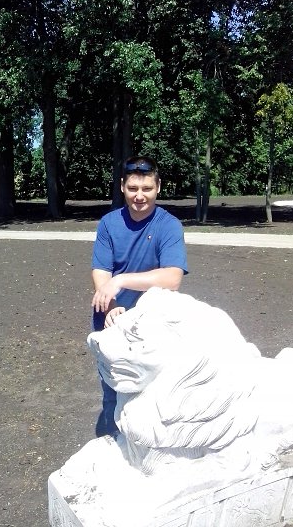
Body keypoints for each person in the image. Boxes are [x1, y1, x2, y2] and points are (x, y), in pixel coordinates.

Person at [91, 155, 188, 436]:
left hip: (152, 326)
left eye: (147, 189)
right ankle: (114, 445)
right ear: (123, 187)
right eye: (133, 188)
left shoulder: (169, 225)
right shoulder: (108, 224)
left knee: (153, 397)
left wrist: (121, 280)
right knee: (113, 396)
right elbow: (101, 271)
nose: (139, 196)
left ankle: (147, 452)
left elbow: (173, 277)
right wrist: (110, 305)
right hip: (111, 323)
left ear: (158, 187)